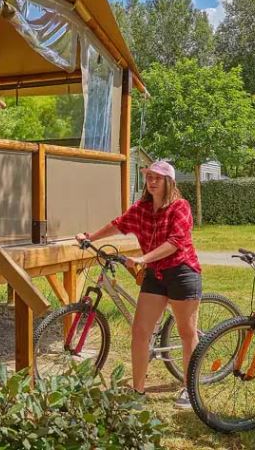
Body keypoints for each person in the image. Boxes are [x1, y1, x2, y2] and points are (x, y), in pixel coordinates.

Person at [76, 160, 201, 409]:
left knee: (187, 333)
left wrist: (143, 259)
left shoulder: (180, 207)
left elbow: (175, 242)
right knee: (140, 331)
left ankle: (190, 389)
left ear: (169, 182)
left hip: (181, 272)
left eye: (157, 178)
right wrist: (91, 237)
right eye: (149, 177)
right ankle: (138, 391)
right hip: (155, 274)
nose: (151, 181)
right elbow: (118, 224)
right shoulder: (141, 208)